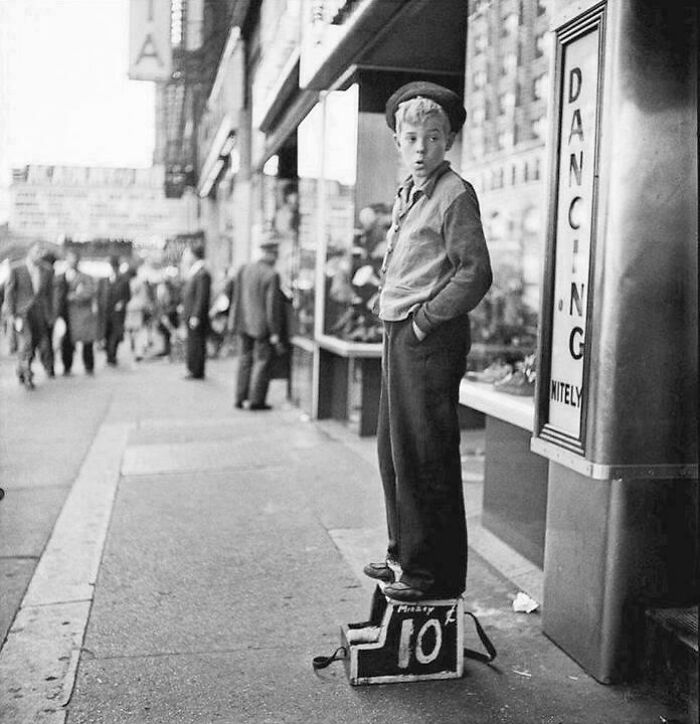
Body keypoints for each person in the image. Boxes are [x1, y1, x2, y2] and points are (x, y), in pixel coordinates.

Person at [363, 82, 493, 602]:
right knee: (393, 451)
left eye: (433, 137)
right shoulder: (409, 194)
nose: (422, 147)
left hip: (427, 337)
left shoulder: (454, 193)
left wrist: (423, 321)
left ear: (449, 140)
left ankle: (430, 574)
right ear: (398, 140)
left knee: (425, 455)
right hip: (401, 334)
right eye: (412, 137)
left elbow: (475, 273)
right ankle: (403, 553)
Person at [230, 239, 283, 410]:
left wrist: (234, 321)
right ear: (272, 255)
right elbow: (272, 307)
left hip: (243, 322)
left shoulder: (244, 269)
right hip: (261, 326)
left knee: (244, 360)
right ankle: (256, 400)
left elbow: (236, 298)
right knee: (262, 362)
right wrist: (275, 331)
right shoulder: (271, 275)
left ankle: (239, 397)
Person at [2, 242, 54, 389]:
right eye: (37, 251)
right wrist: (11, 315)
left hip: (40, 313)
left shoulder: (47, 270)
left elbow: (49, 295)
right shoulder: (16, 268)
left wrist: (50, 315)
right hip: (22, 314)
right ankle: (27, 375)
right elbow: (9, 293)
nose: (40, 254)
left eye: (42, 252)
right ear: (29, 252)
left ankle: (22, 368)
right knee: (27, 342)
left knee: (39, 343)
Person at [58, 248, 99, 376]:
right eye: (70, 259)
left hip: (82, 315)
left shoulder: (85, 277)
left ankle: (89, 366)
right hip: (66, 315)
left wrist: (74, 296)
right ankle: (67, 367)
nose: (72, 262)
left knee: (87, 342)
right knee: (66, 343)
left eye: (74, 259)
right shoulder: (60, 276)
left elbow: (89, 292)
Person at [181, 240, 211, 379]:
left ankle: (196, 369)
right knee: (193, 342)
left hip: (195, 316)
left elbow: (201, 297)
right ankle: (193, 368)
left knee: (196, 343)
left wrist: (196, 315)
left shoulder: (202, 273)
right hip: (191, 314)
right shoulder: (195, 272)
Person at [99, 255, 131, 366]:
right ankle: (109, 354)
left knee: (115, 334)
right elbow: (99, 296)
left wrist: (122, 303)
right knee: (106, 333)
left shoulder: (124, 280)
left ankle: (112, 355)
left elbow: (127, 296)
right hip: (105, 312)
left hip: (117, 313)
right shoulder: (104, 280)